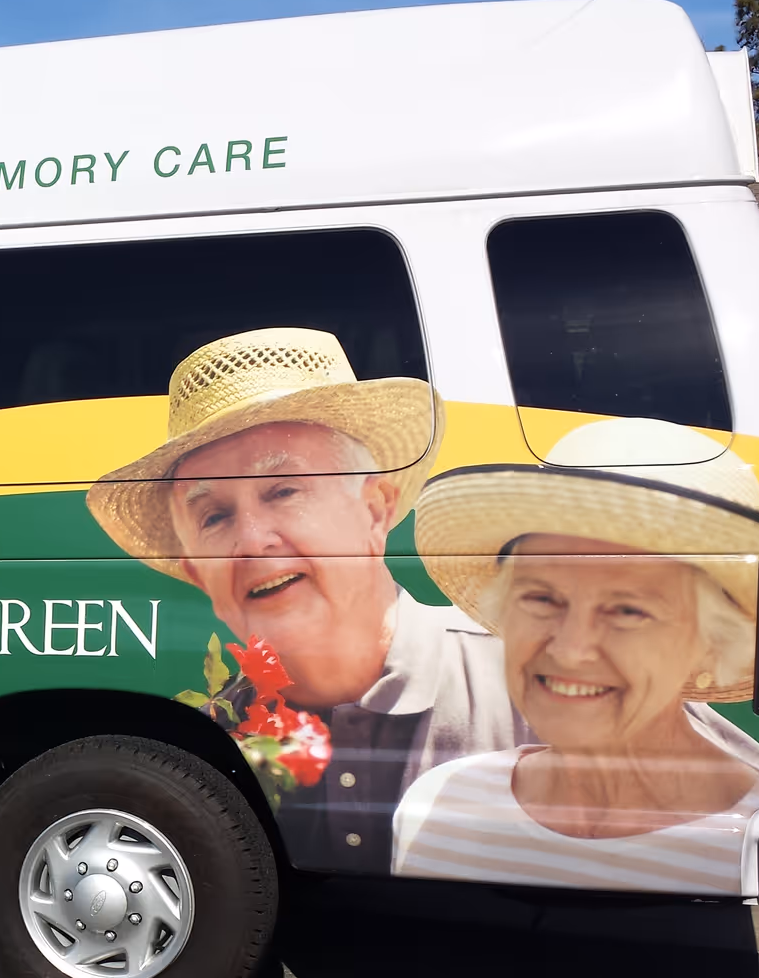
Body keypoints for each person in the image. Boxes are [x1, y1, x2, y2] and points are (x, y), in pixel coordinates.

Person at [87, 326, 525, 873]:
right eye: (215, 516)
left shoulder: (530, 683)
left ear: (375, 510)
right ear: (197, 573)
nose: (252, 541)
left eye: (284, 490)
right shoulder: (208, 739)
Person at [392, 418, 759, 893]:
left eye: (628, 610)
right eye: (542, 598)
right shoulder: (440, 804)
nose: (570, 649)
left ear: (710, 643)